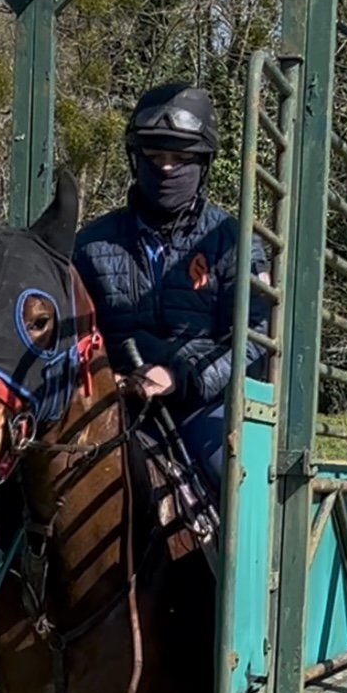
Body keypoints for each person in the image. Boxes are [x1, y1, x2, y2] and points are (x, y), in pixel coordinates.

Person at [72, 82, 270, 491]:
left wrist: (181, 379)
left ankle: (245, 537)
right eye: (155, 155)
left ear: (203, 163)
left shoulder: (234, 242)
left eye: (180, 158)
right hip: (112, 402)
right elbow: (72, 334)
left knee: (236, 479)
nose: (166, 168)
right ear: (135, 158)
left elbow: (254, 337)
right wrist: (111, 380)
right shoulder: (90, 244)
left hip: (202, 407)